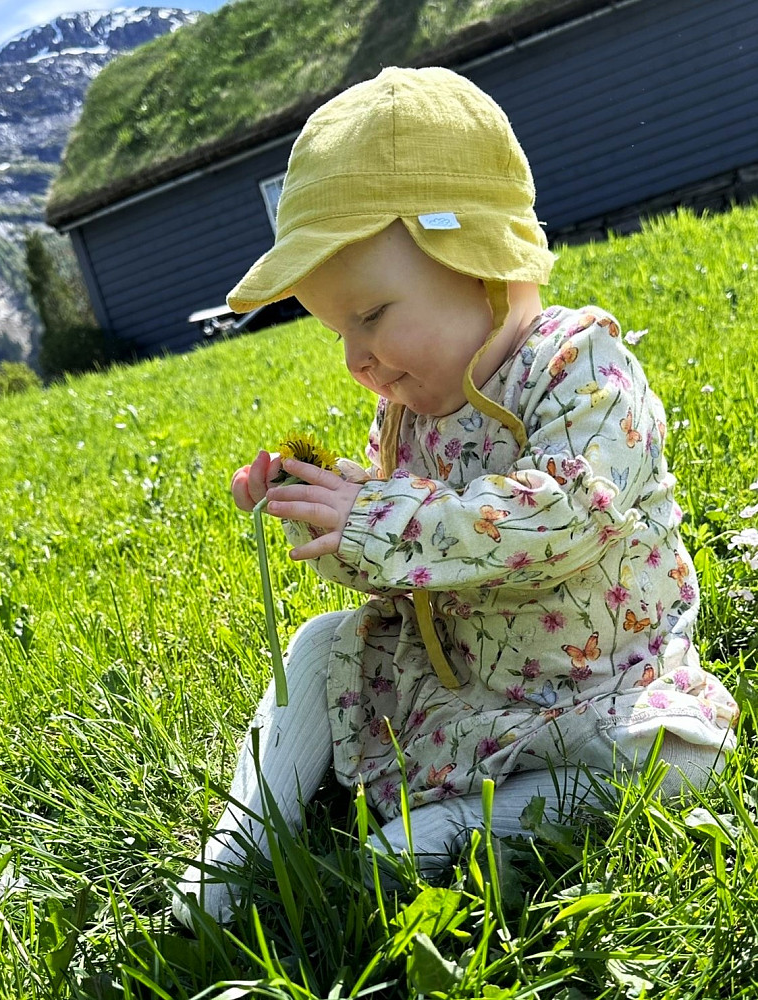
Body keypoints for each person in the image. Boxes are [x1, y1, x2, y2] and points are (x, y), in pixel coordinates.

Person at [173, 66, 739, 926]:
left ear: (476, 259)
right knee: (325, 643)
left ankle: (448, 838)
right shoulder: (406, 413)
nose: (356, 358)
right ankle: (236, 857)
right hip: (469, 684)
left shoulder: (580, 370)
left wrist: (378, 517)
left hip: (594, 685)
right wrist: (333, 518)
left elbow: (567, 514)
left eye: (370, 314)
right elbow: (403, 572)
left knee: (676, 759)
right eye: (337, 332)